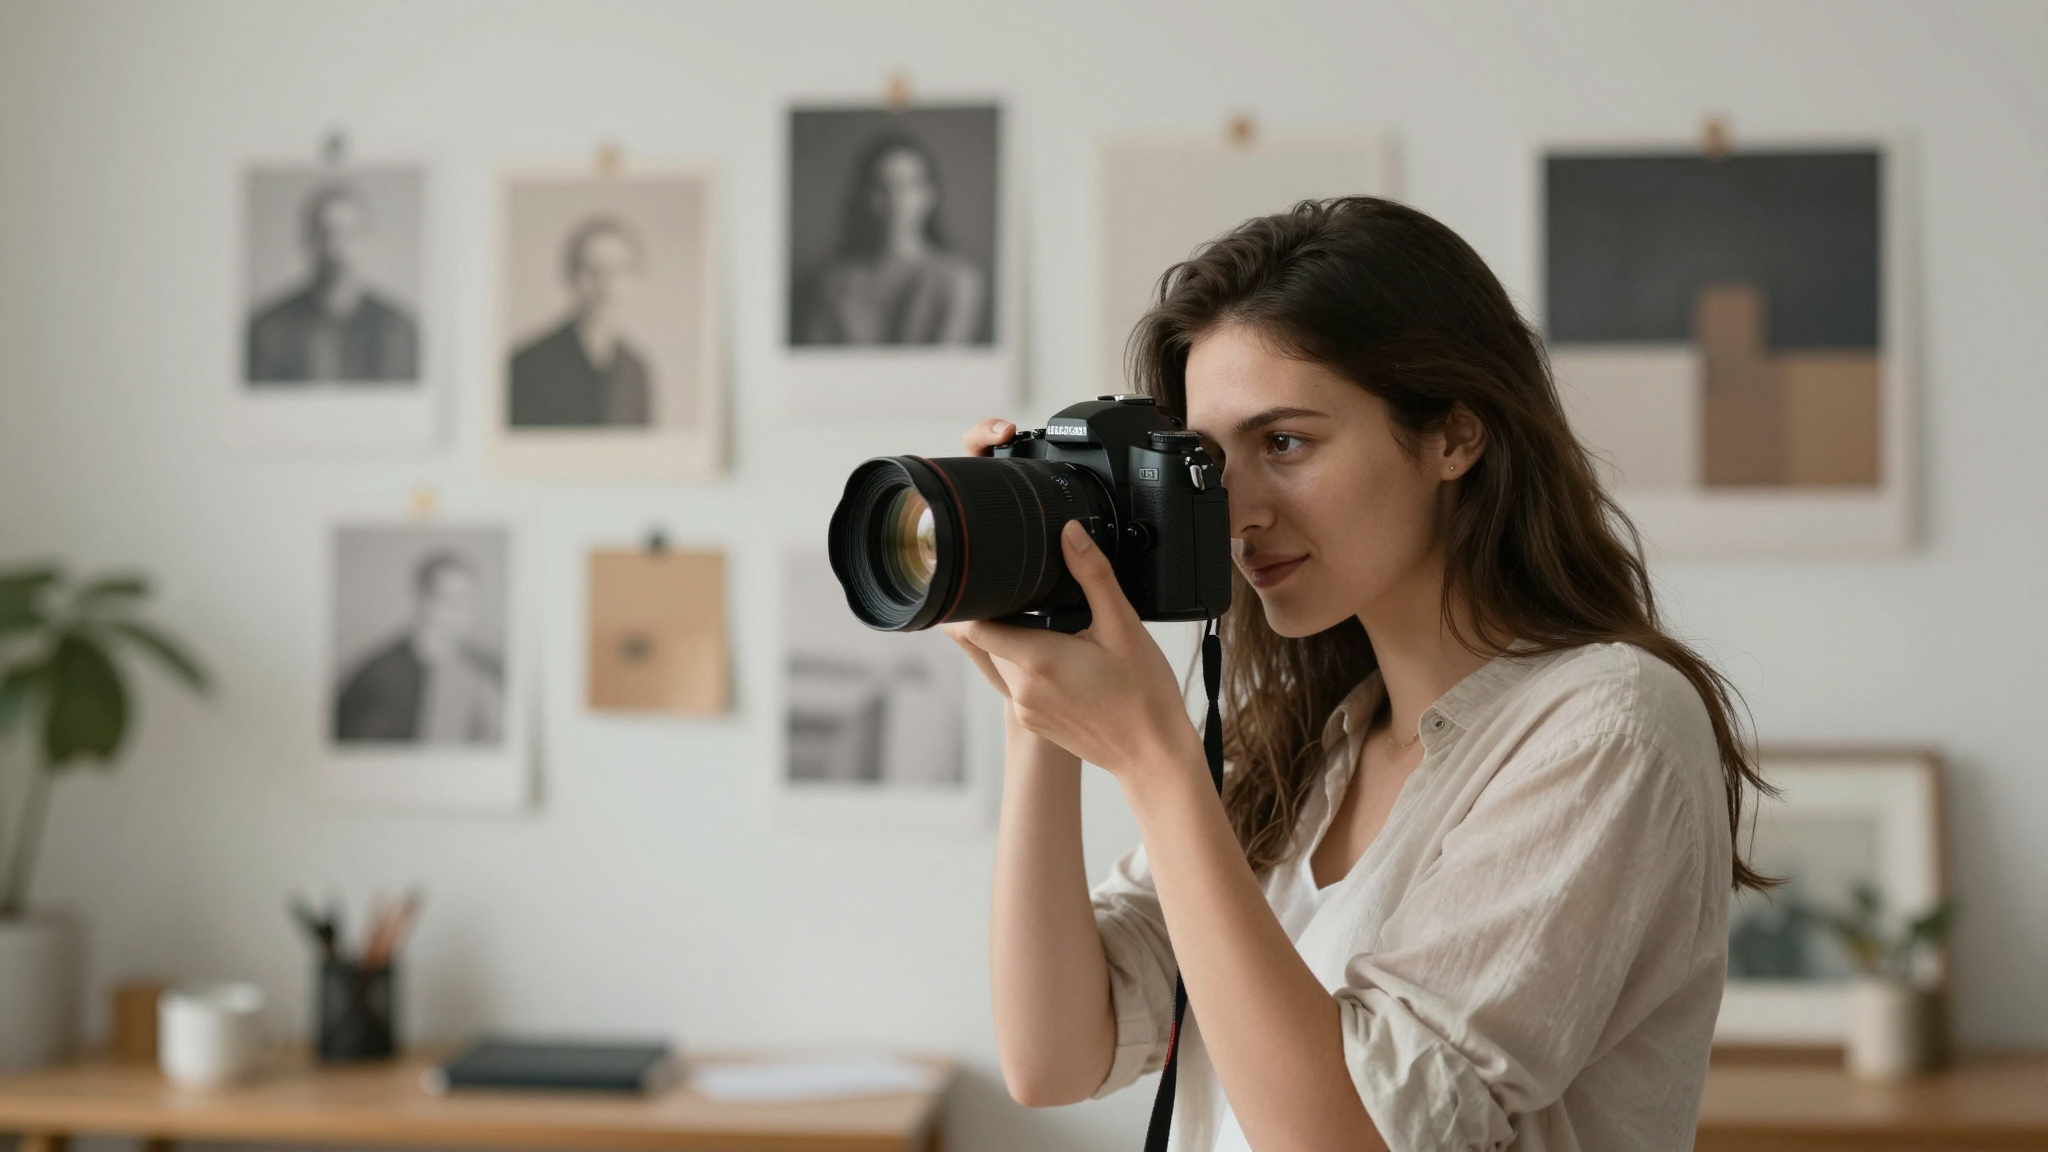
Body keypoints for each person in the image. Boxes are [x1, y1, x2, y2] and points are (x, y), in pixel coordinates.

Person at [951, 197, 1771, 1152]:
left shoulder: (1607, 730)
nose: (1239, 512)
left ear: (1455, 436)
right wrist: (1035, 696)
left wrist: (1152, 759)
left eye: (1286, 443)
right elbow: (1053, 1056)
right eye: (1210, 462)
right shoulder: (1306, 745)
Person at [797, 132, 988, 346]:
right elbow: (815, 369)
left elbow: (945, 371)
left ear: (930, 196)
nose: (895, 200)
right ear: (865, 197)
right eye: (882, 187)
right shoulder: (834, 285)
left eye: (908, 185)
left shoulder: (958, 281)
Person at [247, 181, 420, 383]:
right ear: (307, 238)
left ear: (365, 239)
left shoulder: (397, 330)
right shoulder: (268, 329)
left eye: (348, 234)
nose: (334, 248)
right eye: (324, 234)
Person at [335, 551, 504, 744]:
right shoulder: (379, 675)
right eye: (448, 600)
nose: (459, 612)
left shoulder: (484, 671)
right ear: (423, 601)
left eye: (467, 601)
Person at [509, 215, 653, 427]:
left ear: (635, 279)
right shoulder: (526, 366)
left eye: (617, 270)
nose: (605, 284)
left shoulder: (636, 372)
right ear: (571, 275)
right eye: (592, 270)